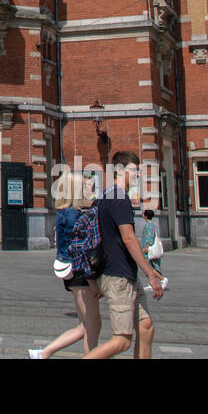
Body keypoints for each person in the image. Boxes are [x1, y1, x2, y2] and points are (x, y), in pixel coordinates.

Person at [84, 152, 165, 359]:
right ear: (119, 171)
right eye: (134, 170)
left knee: (146, 327)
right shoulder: (119, 198)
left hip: (125, 274)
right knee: (122, 340)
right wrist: (151, 273)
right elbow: (128, 238)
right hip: (118, 276)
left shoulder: (103, 198)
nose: (138, 175)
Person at [31, 170, 102, 359]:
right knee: (91, 326)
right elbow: (79, 249)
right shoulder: (73, 214)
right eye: (84, 186)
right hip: (80, 273)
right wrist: (93, 281)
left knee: (86, 325)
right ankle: (45, 352)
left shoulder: (63, 212)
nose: (88, 190)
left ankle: (44, 353)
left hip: (71, 272)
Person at [140, 208, 162, 274]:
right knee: (153, 266)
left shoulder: (149, 225)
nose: (142, 214)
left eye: (143, 213)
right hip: (150, 248)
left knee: (150, 266)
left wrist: (147, 246)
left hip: (149, 248)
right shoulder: (151, 224)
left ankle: (161, 279)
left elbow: (150, 236)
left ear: (146, 216)